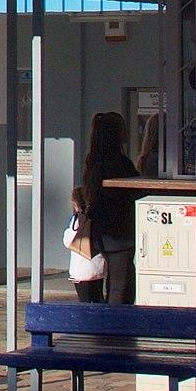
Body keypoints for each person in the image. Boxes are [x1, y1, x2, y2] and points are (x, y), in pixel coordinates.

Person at [78, 110, 143, 304]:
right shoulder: (120, 162)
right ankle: (117, 325)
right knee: (121, 286)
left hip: (100, 231)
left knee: (113, 282)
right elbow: (135, 191)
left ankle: (109, 320)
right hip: (119, 232)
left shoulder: (93, 160)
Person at [62, 185, 107, 302]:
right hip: (98, 268)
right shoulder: (98, 217)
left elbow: (68, 242)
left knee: (85, 302)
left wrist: (67, 232)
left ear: (75, 203)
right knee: (98, 299)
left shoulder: (78, 220)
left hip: (81, 271)